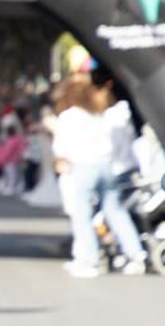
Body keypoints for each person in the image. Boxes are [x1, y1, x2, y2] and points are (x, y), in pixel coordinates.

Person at [52, 73, 148, 278]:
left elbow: (62, 147)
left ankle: (88, 259)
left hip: (83, 166)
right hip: (107, 165)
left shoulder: (69, 117)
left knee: (82, 214)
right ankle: (136, 254)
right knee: (114, 209)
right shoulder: (101, 115)